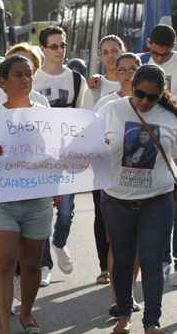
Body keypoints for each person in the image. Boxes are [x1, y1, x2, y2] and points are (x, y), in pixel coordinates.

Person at [0, 55, 53, 334]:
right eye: (18, 75)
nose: (26, 80)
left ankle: (26, 314)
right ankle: (4, 327)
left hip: (37, 200)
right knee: (4, 262)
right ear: (3, 81)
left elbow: (56, 151)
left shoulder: (43, 111)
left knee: (31, 265)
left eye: (29, 74)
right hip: (0, 200)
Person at [98, 64, 177, 334]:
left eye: (152, 97)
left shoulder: (171, 118)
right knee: (121, 262)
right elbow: (85, 145)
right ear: (132, 86)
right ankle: (123, 316)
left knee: (152, 261)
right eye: (140, 94)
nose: (144, 101)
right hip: (116, 200)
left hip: (157, 201)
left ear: (161, 95)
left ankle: (151, 322)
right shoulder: (110, 109)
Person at [34, 26, 92, 286]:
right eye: (54, 46)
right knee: (43, 211)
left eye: (63, 45)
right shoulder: (32, 78)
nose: (60, 50)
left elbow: (85, 116)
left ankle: (59, 243)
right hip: (39, 158)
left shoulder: (76, 79)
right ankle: (44, 264)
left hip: (67, 156)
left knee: (66, 211)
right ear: (43, 49)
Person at [92, 53, 141, 288]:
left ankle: (128, 291)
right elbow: (92, 137)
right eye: (122, 69)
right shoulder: (107, 103)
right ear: (116, 72)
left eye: (132, 69)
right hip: (113, 184)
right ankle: (118, 297)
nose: (127, 74)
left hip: (144, 183)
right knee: (118, 242)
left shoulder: (153, 102)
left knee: (138, 245)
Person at [140, 25, 177, 281]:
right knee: (163, 202)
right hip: (150, 140)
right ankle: (164, 257)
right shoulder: (142, 63)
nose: (159, 59)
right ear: (149, 43)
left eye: (165, 55)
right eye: (155, 52)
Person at [87, 35, 126, 102]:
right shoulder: (94, 85)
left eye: (114, 51)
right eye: (105, 52)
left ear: (122, 53)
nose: (110, 55)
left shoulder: (132, 84)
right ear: (101, 57)